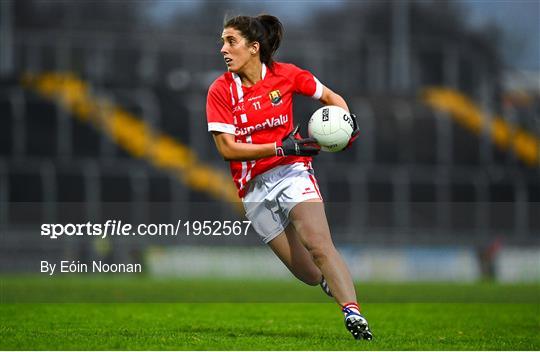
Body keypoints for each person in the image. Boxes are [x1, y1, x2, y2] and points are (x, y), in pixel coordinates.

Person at [206, 14, 372, 341]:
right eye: (223, 41)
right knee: (310, 273)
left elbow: (330, 98)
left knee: (319, 244)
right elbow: (228, 149)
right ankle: (326, 280)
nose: (223, 49)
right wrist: (279, 148)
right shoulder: (220, 91)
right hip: (253, 188)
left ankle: (353, 312)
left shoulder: (287, 75)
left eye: (231, 41)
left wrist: (347, 123)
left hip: (293, 171)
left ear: (254, 48)